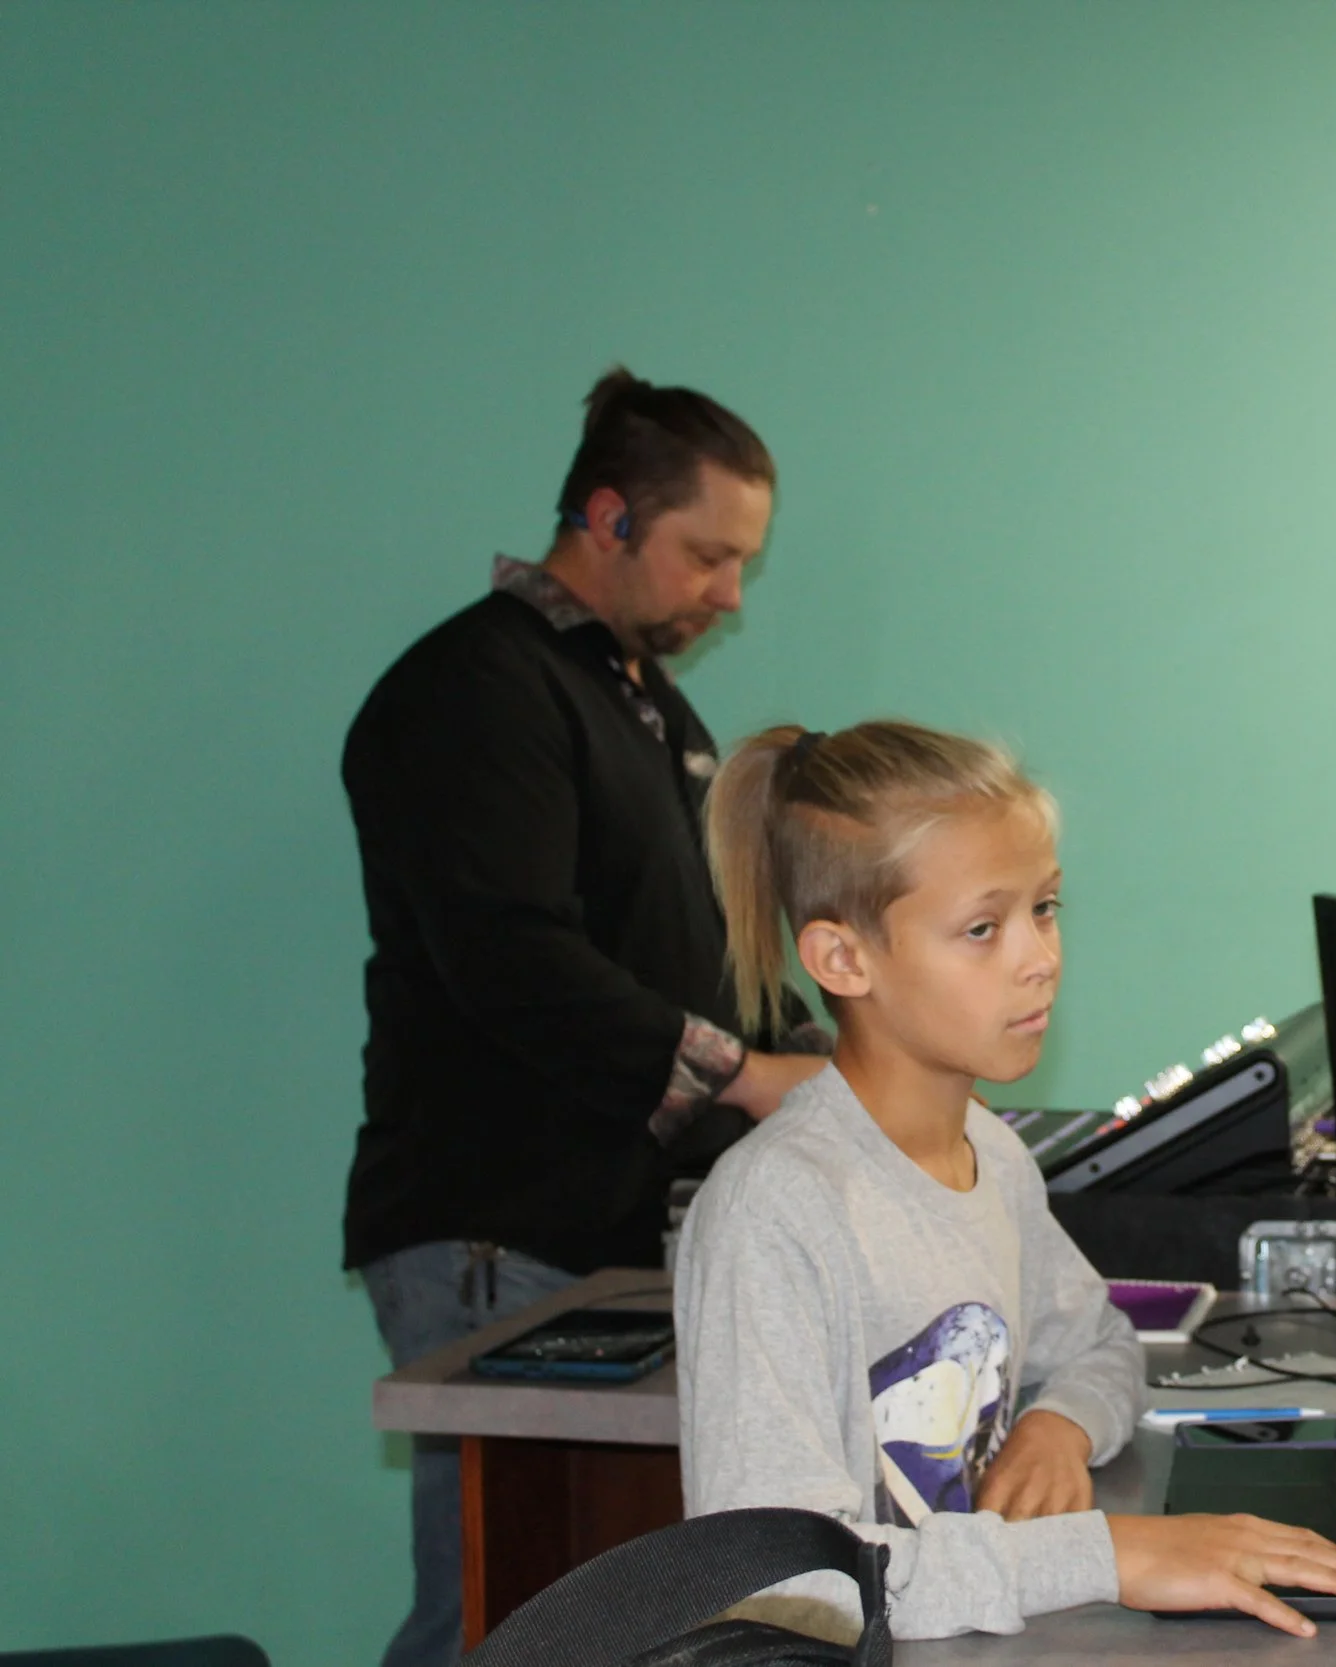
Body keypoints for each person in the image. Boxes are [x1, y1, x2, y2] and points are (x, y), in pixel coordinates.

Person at [677, 720, 1336, 1641]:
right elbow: (785, 1582)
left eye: (1045, 908)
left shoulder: (990, 1153)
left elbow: (1099, 1344)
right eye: (983, 927)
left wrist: (1058, 1426)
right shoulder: (774, 1210)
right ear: (843, 959)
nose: (1039, 956)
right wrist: (1111, 1553)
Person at [341, 368, 833, 1667]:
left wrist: (841, 1065)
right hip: (502, 1236)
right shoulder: (475, 691)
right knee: (497, 1612)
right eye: (710, 555)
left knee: (601, 1609)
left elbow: (712, 946)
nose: (731, 592)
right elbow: (513, 957)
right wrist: (747, 1077)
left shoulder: (637, 698)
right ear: (608, 516)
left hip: (601, 1231)